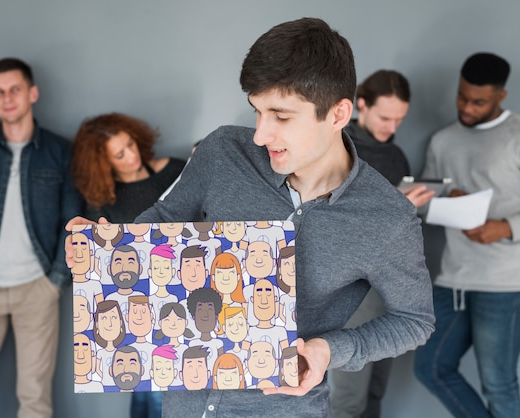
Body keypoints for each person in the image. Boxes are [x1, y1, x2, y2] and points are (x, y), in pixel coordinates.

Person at [66, 17, 434, 417]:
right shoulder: (223, 151)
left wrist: (330, 350)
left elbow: (414, 320)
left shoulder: (388, 217)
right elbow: (165, 216)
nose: (260, 134)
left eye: (281, 116)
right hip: (184, 404)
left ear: (337, 114)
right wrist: (111, 247)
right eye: (257, 111)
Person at [0, 57, 81, 418]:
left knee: (34, 396)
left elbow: (71, 221)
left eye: (15, 90)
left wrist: (55, 280)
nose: (8, 98)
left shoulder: (59, 151)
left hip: (37, 290)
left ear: (32, 93)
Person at [414, 52, 520, 418]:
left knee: (498, 384)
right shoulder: (443, 140)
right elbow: (424, 202)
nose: (467, 107)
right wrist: (446, 196)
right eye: (462, 97)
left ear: (500, 97)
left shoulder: (517, 135)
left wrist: (506, 227)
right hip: (452, 281)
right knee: (429, 367)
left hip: (505, 286)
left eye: (479, 102)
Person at [330, 69, 435, 418]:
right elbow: (332, 219)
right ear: (361, 104)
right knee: (348, 398)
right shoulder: (338, 148)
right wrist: (397, 202)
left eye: (399, 119)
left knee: (376, 390)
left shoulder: (397, 155)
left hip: (392, 286)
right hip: (352, 287)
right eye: (385, 117)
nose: (392, 127)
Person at [71, 112, 186, 418]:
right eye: (119, 155)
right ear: (104, 163)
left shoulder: (175, 170)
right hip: (134, 307)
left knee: (179, 390)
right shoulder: (102, 201)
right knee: (145, 394)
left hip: (179, 296)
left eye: (131, 145)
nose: (132, 155)